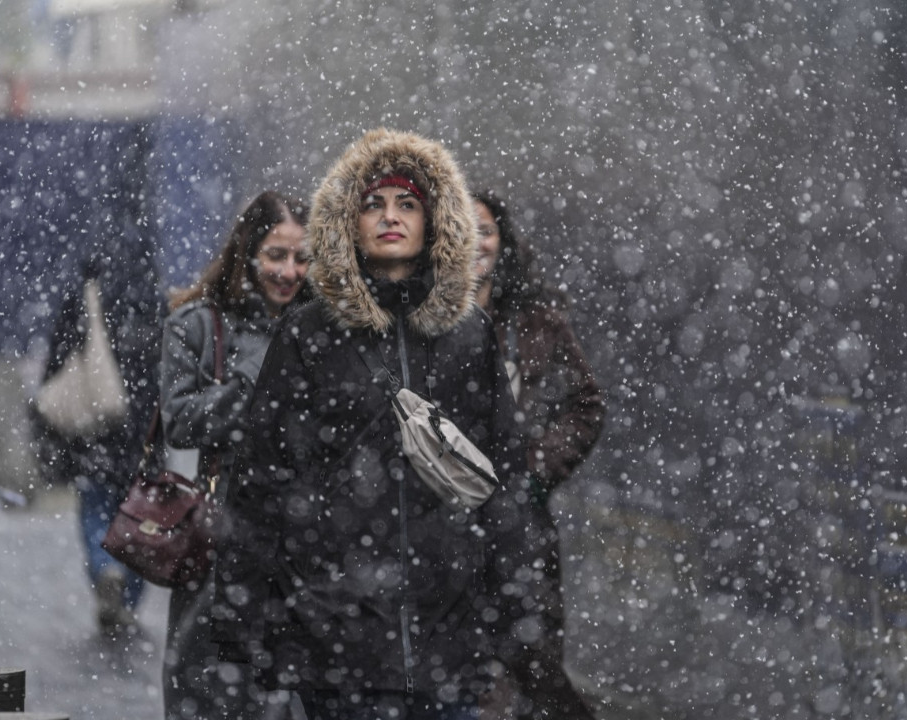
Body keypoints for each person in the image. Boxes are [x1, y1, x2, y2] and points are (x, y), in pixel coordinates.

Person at [213, 128, 543, 720]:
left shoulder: (469, 334)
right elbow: (262, 479)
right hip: (336, 639)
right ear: (349, 221)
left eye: (407, 203)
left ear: (434, 220)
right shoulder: (308, 333)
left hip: (450, 635)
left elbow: (505, 478)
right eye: (374, 203)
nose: (390, 216)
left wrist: (514, 612)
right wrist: (247, 620)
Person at [160, 190, 310, 720]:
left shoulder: (323, 327)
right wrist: (254, 378)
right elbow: (180, 422)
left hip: (306, 539)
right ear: (248, 253)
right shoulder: (199, 325)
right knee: (207, 686)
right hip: (221, 534)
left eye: (302, 258)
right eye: (275, 255)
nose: (288, 272)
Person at [471, 191, 605, 719]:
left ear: (502, 241)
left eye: (485, 230)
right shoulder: (419, 319)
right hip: (440, 528)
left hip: (519, 524)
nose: (475, 243)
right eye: (461, 230)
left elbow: (585, 404)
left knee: (534, 666)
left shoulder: (535, 322)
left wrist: (536, 468)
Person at [38, 215, 164, 636]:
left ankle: (105, 566)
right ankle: (127, 596)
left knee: (95, 505)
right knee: (141, 517)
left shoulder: (84, 295)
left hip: (94, 424)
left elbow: (58, 357)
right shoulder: (154, 300)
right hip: (143, 428)